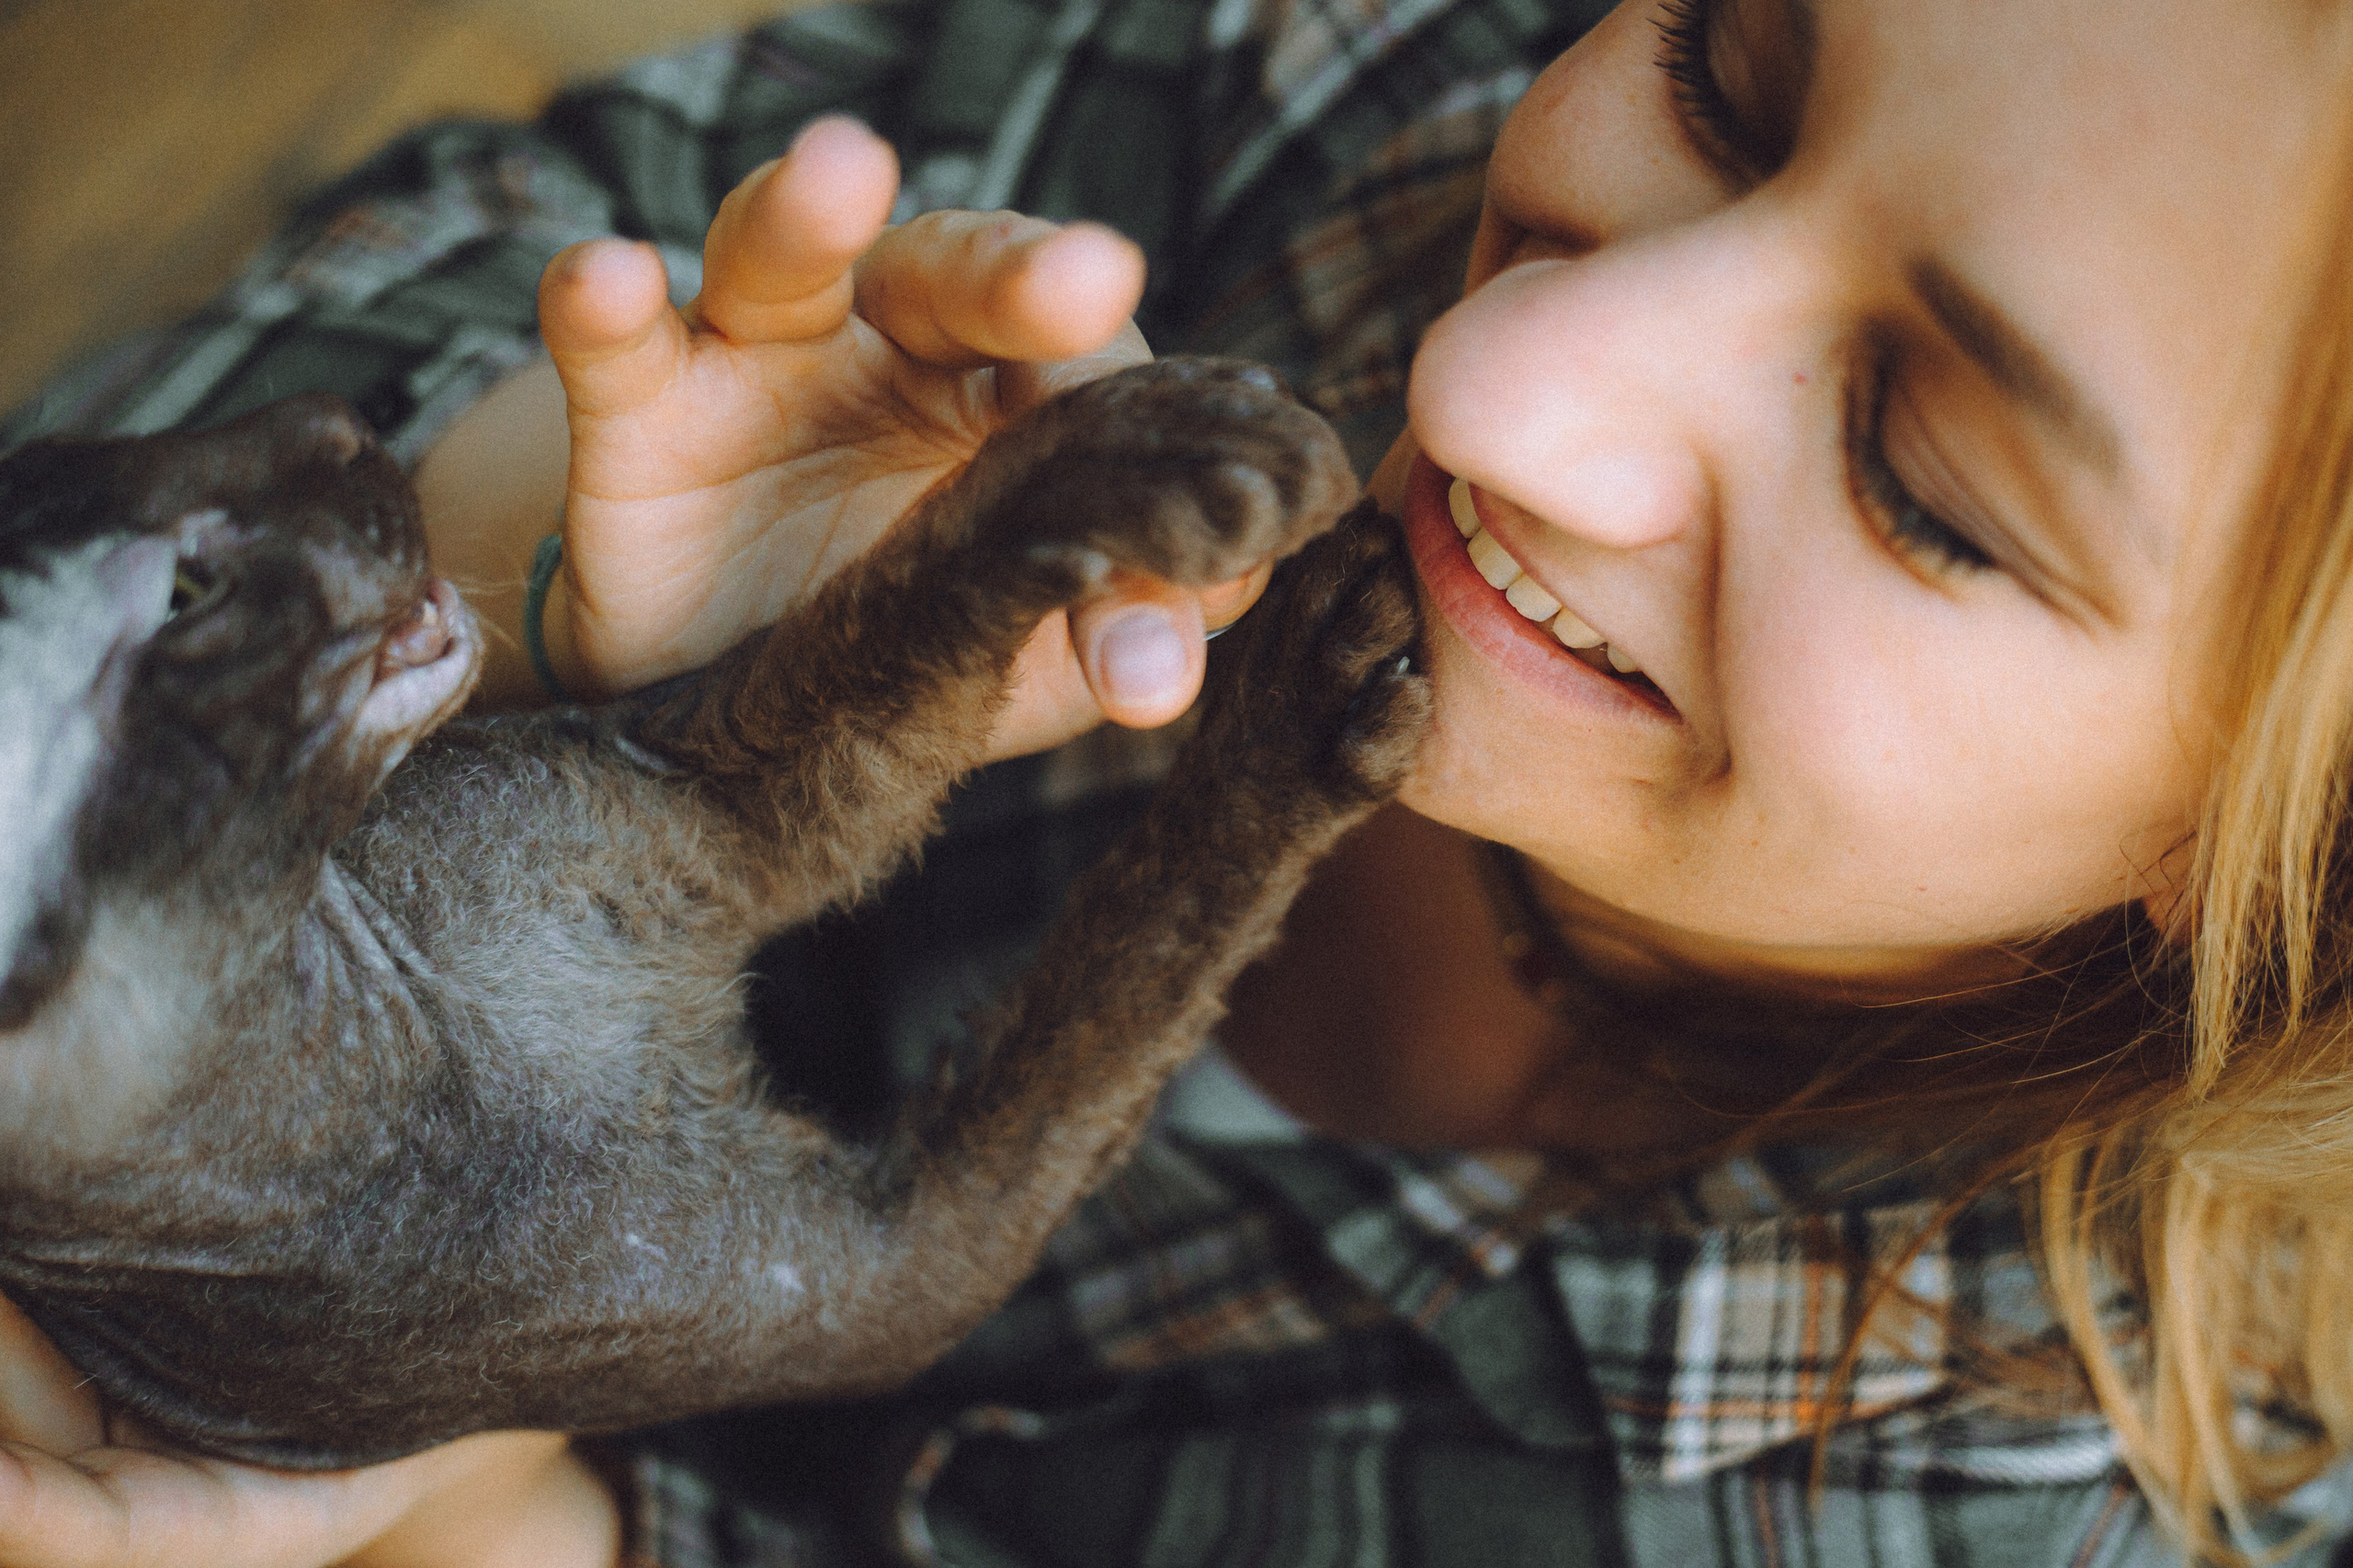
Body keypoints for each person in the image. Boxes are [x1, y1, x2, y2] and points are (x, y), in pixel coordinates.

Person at [4, 0, 2351, 1562]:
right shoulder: (1358, 85)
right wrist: (515, 549)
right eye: (1720, 78)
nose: (1497, 381)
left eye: (1922, 479)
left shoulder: (1950, 1508)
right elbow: (435, 246)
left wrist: (470, 1511)